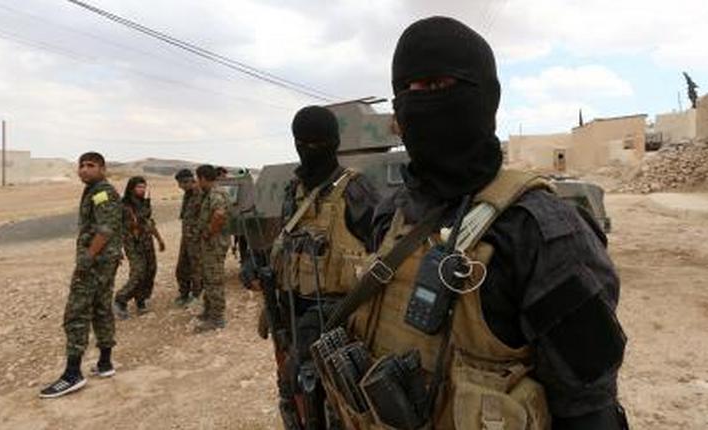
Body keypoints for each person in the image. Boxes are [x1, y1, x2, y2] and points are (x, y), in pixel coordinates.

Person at [316, 17, 628, 429]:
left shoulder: (543, 231)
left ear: (488, 99)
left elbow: (589, 410)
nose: (424, 101)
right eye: (411, 90)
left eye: (441, 85)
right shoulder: (391, 214)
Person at [267, 105, 380, 429]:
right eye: (303, 143)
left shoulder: (356, 190)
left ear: (334, 143)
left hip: (338, 319)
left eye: (317, 144)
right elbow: (284, 243)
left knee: (336, 407)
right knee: (293, 393)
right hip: (292, 311)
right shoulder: (294, 191)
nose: (309, 151)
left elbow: (380, 259)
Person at [39, 152, 123, 398]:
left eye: (91, 165)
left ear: (103, 168)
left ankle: (72, 374)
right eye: (81, 166)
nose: (84, 170)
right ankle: (105, 363)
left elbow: (105, 229)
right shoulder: (94, 189)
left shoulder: (102, 192)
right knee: (101, 308)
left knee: (76, 313)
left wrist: (87, 258)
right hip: (104, 261)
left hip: (95, 263)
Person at [113, 176, 165, 319]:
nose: (142, 190)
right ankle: (120, 300)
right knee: (138, 272)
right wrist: (118, 249)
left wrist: (159, 239)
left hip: (147, 242)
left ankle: (141, 301)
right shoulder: (124, 206)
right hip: (133, 244)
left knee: (150, 271)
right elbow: (115, 229)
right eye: (139, 187)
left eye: (144, 187)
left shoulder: (144, 204)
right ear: (131, 188)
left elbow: (149, 223)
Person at [193, 164, 230, 332]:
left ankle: (217, 318)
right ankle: (209, 311)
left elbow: (220, 214)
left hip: (214, 243)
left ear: (202, 178)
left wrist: (209, 232)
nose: (197, 182)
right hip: (211, 244)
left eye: (197, 179)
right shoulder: (212, 193)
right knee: (208, 277)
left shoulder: (216, 193)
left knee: (214, 279)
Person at [174, 168, 203, 306]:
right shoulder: (188, 194)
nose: (180, 187)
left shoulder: (200, 194)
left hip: (197, 239)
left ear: (188, 181)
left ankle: (197, 296)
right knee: (182, 267)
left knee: (196, 268)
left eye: (181, 183)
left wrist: (199, 234)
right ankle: (184, 293)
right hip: (186, 237)